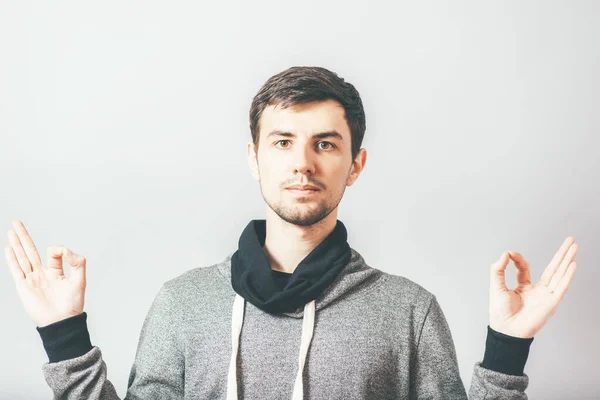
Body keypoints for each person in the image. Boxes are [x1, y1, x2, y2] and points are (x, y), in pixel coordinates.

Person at [5, 66, 578, 399]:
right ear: (255, 159)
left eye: (325, 144)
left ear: (355, 164)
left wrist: (506, 348)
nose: (302, 163)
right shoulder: (184, 303)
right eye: (282, 142)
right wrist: (64, 336)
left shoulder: (409, 311)